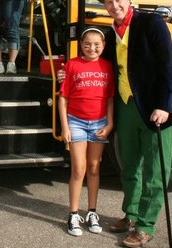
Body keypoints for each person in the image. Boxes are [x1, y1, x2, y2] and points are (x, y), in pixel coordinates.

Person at [58, 0, 172, 247]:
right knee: (129, 166)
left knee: (154, 170)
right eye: (108, 2)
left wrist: (164, 106)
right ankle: (130, 214)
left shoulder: (152, 23)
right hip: (126, 107)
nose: (114, 6)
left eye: (118, 0)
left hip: (155, 109)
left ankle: (145, 225)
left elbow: (167, 66)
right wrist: (64, 75)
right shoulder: (108, 32)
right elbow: (93, 63)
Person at [58, 27, 115, 237]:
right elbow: (62, 98)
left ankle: (92, 212)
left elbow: (109, 99)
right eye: (87, 44)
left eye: (97, 44)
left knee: (93, 167)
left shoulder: (107, 66)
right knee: (78, 169)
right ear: (81, 45)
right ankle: (73, 213)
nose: (92, 48)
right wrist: (64, 126)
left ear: (103, 46)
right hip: (76, 123)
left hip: (99, 123)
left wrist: (109, 124)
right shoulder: (72, 65)